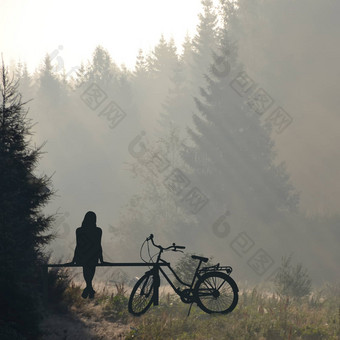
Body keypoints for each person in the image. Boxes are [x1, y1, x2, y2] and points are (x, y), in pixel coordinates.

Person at [71, 211, 104, 299]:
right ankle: (89, 288)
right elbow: (98, 245)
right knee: (91, 268)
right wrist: (101, 260)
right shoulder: (98, 231)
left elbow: (78, 246)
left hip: (82, 256)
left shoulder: (79, 230)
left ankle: (89, 288)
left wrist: (73, 260)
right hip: (93, 256)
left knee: (86, 268)